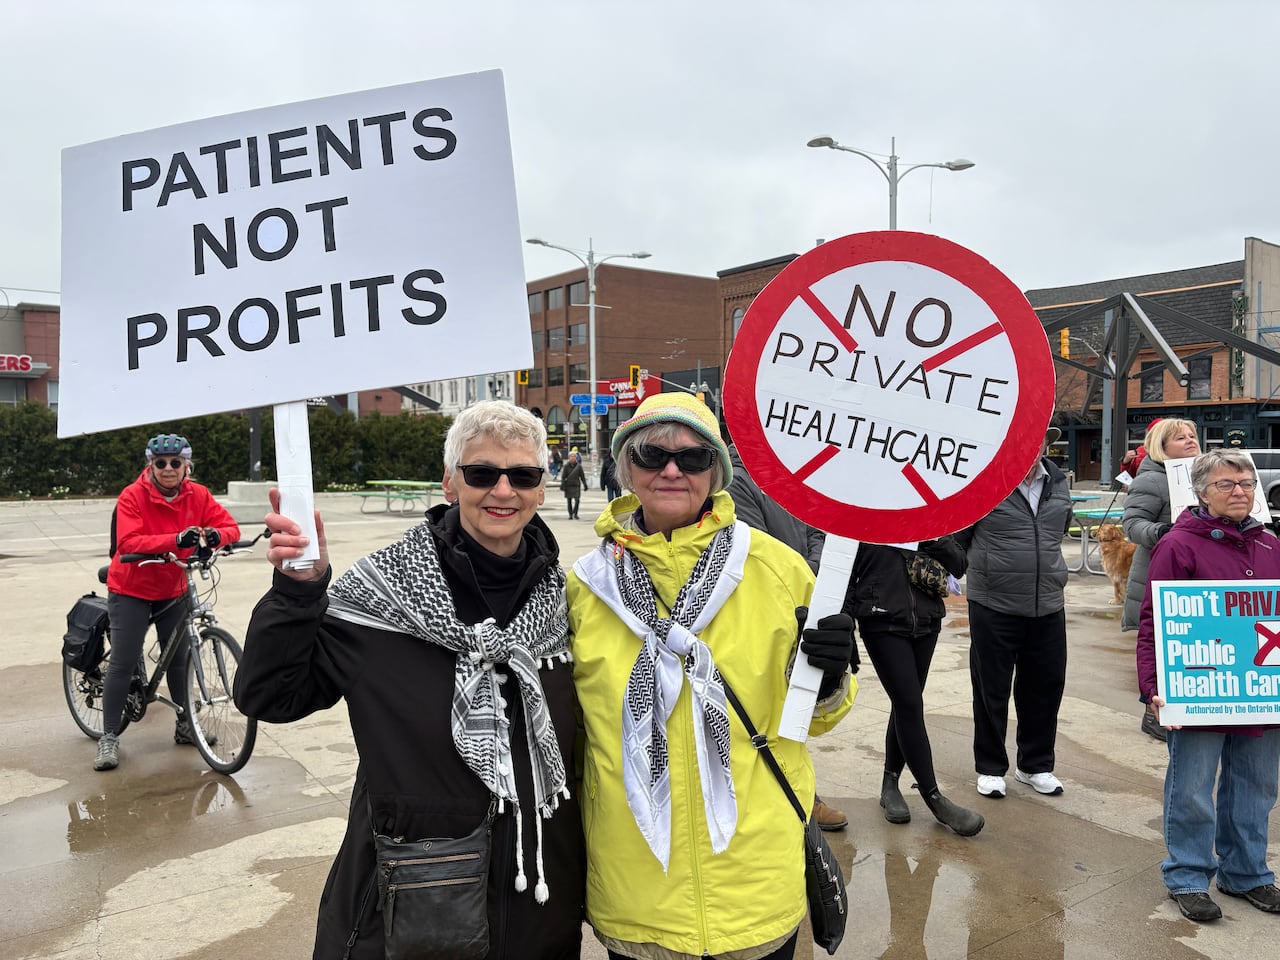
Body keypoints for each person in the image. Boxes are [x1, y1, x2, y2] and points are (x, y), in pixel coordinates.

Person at [233, 401, 585, 959]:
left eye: (522, 475)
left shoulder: (566, 608)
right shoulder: (382, 596)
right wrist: (299, 592)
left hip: (536, 904)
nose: (502, 490)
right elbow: (270, 696)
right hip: (406, 908)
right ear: (450, 483)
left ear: (542, 490)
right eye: (481, 473)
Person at [567, 393, 856, 960]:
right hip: (636, 891)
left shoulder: (776, 568)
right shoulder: (584, 586)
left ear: (716, 473)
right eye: (652, 455)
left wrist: (827, 681)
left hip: (754, 885)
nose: (672, 470)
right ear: (626, 468)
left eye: (693, 458)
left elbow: (819, 719)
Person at [1136, 448, 1280, 922]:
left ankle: (1247, 874)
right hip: (1199, 687)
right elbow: (1154, 621)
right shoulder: (1178, 545)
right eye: (1226, 484)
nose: (1239, 492)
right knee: (1193, 785)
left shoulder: (1270, 545)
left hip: (1260, 691)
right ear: (1201, 492)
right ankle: (1189, 875)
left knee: (1256, 785)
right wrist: (1154, 685)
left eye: (1246, 484)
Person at [94, 434, 240, 772]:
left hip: (172, 585)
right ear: (151, 465)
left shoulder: (198, 494)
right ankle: (109, 737)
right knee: (124, 660)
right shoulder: (133, 495)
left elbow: (228, 525)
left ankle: (186, 725)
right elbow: (129, 541)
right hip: (132, 586)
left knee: (178, 660)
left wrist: (219, 536)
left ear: (187, 464)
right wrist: (174, 539)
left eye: (176, 462)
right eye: (161, 463)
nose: (169, 469)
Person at [726, 442, 847, 832]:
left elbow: (818, 529)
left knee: (806, 706)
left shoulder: (796, 476)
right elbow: (756, 546)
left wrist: (810, 575)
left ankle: (802, 792)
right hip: (765, 606)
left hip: (804, 600)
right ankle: (792, 796)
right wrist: (802, 573)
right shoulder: (738, 476)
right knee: (765, 708)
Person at [955, 427, 1072, 800]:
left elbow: (1059, 530)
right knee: (991, 688)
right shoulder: (986, 482)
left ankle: (1035, 764)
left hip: (1048, 603)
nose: (1031, 446)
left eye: (1037, 439)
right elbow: (959, 536)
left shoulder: (1058, 482)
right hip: (994, 603)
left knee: (1045, 687)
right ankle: (990, 767)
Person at [842, 537, 985, 836]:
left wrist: (933, 537)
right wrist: (845, 625)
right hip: (880, 617)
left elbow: (958, 565)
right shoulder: (862, 506)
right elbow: (844, 569)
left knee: (905, 703)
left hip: (926, 617)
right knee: (909, 704)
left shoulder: (925, 509)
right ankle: (934, 797)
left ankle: (890, 782)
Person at [1121, 419, 1201, 741]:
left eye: (1192, 435)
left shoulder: (1207, 474)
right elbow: (1132, 524)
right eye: (1180, 437)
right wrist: (1162, 533)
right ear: (1161, 446)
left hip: (1199, 574)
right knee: (1160, 647)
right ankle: (1152, 712)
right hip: (1160, 572)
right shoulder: (1152, 479)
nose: (1190, 441)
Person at [560, 448, 584, 519]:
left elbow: (582, 476)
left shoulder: (579, 466)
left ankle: (575, 513)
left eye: (574, 456)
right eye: (571, 456)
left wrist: (585, 485)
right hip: (568, 486)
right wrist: (562, 484)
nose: (573, 458)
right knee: (569, 501)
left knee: (577, 500)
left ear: (576, 458)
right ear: (569, 457)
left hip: (576, 486)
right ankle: (570, 514)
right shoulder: (566, 466)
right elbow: (563, 476)